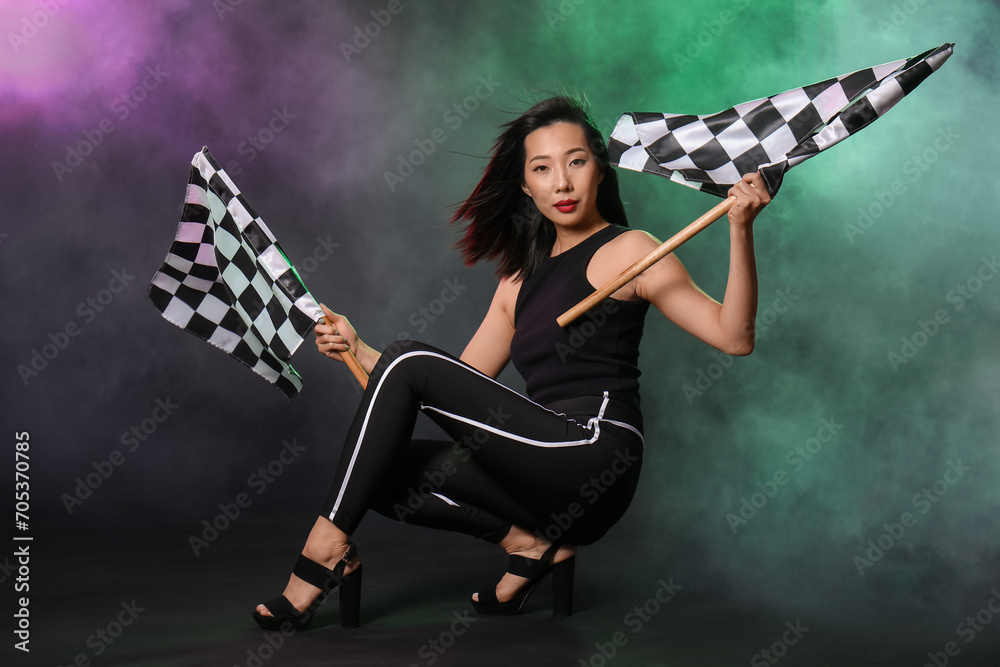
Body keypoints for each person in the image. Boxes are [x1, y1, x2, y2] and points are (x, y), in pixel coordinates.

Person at [252, 96, 770, 630]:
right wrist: (356, 348)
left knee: (408, 365)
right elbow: (442, 387)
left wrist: (739, 228)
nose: (562, 184)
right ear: (525, 185)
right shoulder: (517, 282)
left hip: (594, 455)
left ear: (599, 166)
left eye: (576, 162)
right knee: (382, 466)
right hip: (537, 477)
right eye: (542, 169)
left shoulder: (631, 250)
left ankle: (324, 547)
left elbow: (734, 338)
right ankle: (530, 547)